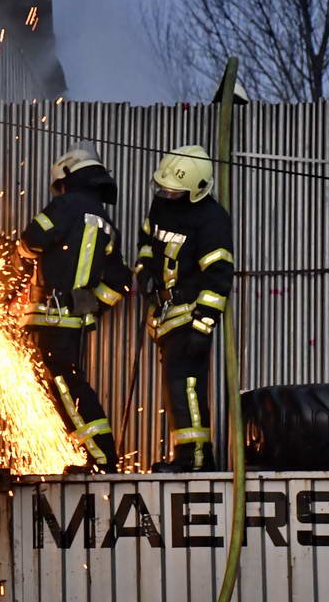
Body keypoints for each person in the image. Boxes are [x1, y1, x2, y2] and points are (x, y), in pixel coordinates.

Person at [18, 143, 132, 471]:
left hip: (51, 317)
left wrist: (19, 257)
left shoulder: (64, 206)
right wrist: (93, 307)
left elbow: (32, 239)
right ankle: (99, 454)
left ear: (67, 179)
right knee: (69, 382)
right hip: (73, 321)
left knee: (66, 386)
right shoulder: (106, 222)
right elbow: (120, 278)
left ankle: (99, 458)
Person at [134, 145, 234, 471]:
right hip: (163, 314)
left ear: (196, 189)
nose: (165, 193)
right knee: (175, 392)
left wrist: (203, 326)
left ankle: (197, 460)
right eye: (163, 188)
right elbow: (147, 242)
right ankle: (187, 456)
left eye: (173, 190)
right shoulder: (162, 206)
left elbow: (218, 277)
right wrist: (145, 271)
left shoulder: (212, 220)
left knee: (187, 387)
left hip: (189, 316)